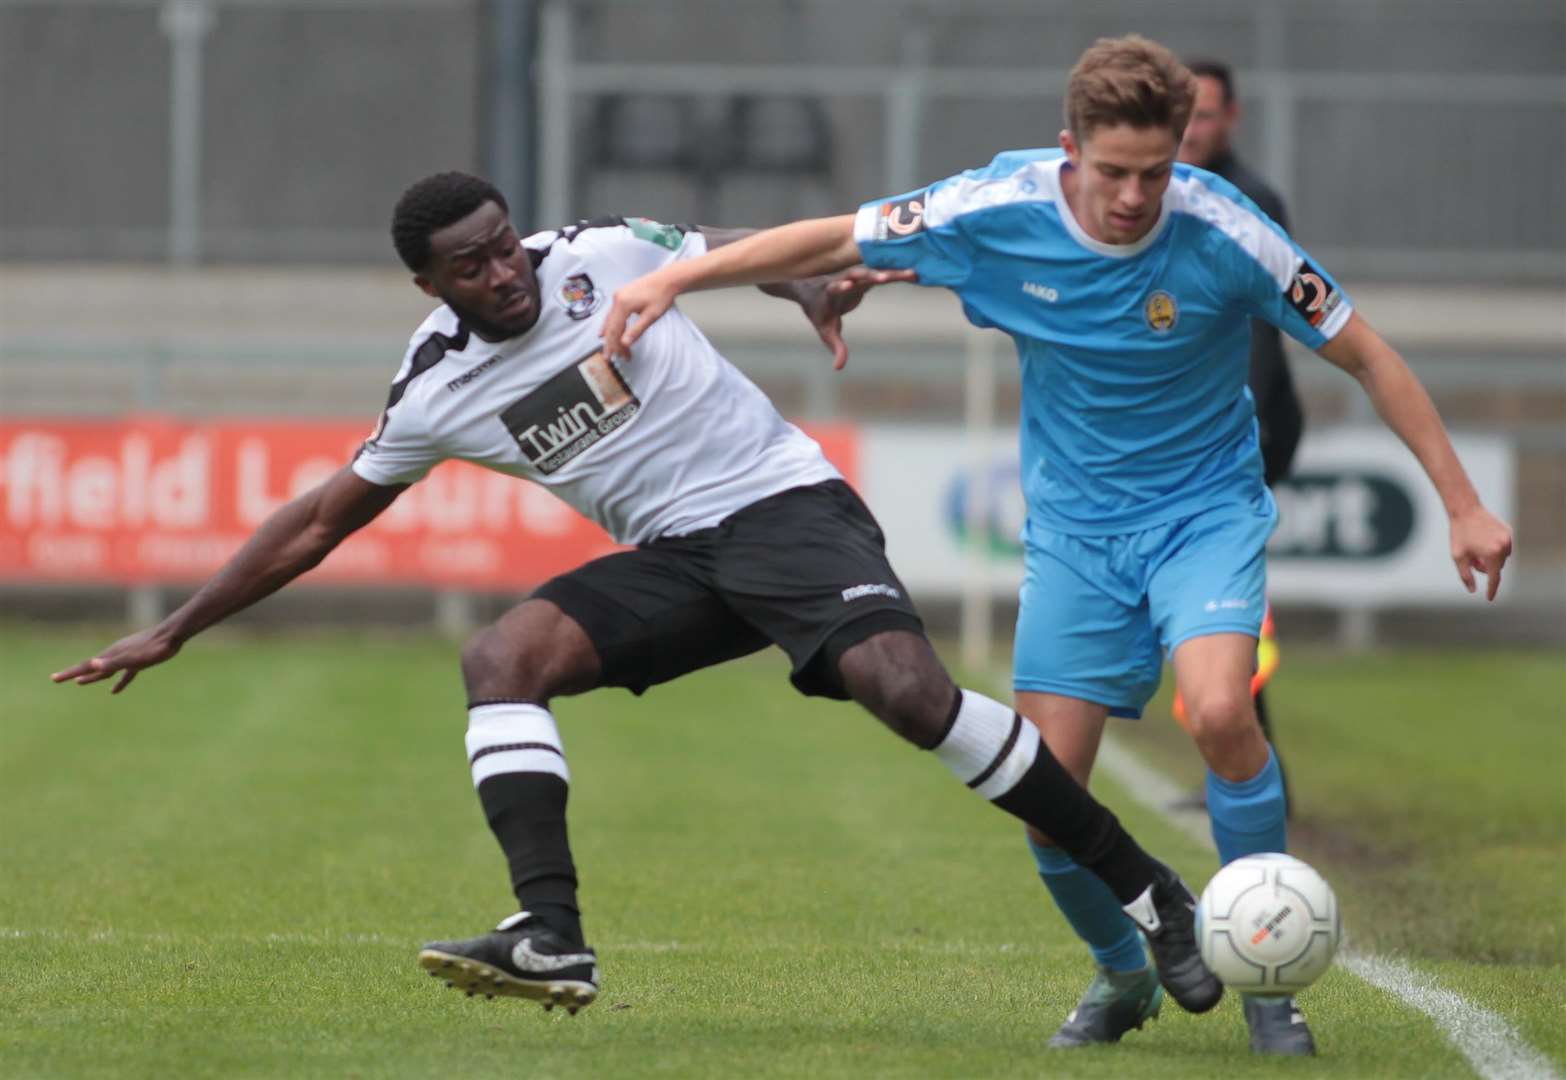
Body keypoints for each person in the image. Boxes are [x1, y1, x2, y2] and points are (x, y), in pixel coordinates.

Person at [52, 171, 1224, 1022]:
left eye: (506, 244)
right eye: (474, 264)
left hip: (783, 508)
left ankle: (1152, 891)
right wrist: (174, 626)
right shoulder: (435, 392)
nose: (506, 270)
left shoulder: (598, 251)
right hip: (675, 555)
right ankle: (550, 936)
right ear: (427, 283)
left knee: (908, 695)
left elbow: (718, 248)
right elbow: (316, 522)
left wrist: (806, 286)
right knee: (502, 659)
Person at [599, 34, 1514, 1056]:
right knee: (1046, 801)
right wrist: (680, 282)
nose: (1134, 197)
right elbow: (829, 237)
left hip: (1204, 514)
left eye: (1156, 174)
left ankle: (1267, 979)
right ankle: (1125, 975)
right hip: (1077, 536)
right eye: (1114, 172)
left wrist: (1464, 505)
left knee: (1219, 707)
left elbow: (1368, 353)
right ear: (1067, 149)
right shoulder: (997, 208)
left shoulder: (1226, 232)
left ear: (1183, 157)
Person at [1178, 57, 1304, 808]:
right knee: (1218, 609)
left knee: (1230, 607)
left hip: (1249, 434)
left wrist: (1242, 448)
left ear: (1232, 119)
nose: (1193, 127)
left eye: (1206, 114)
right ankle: (1252, 765)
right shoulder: (1168, 192)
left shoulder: (1247, 200)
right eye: (1182, 113)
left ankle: (1256, 771)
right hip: (1212, 437)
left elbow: (1259, 332)